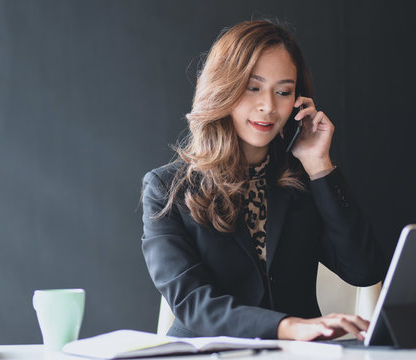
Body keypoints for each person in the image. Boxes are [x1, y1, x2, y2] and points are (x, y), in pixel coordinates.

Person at [140, 19, 388, 341]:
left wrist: (319, 164)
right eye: (253, 87)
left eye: (283, 92)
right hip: (206, 352)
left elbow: (363, 270)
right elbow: (192, 302)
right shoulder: (166, 188)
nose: (268, 106)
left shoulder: (303, 182)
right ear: (223, 87)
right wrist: (287, 327)